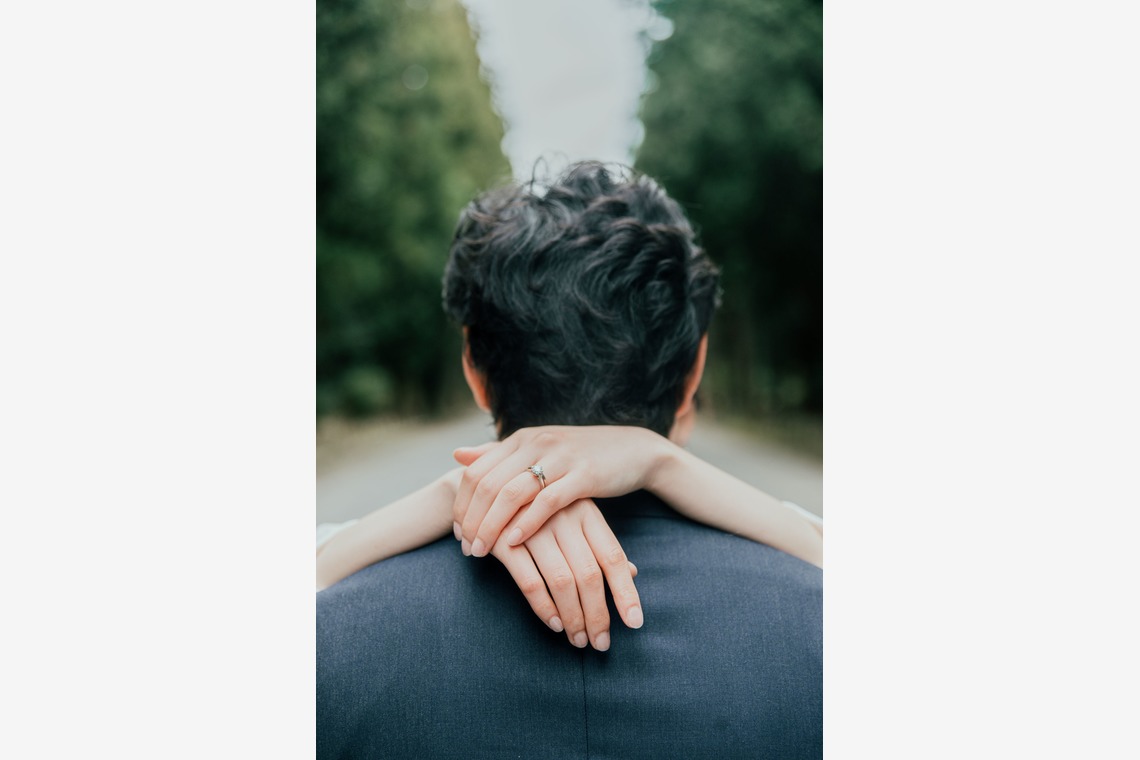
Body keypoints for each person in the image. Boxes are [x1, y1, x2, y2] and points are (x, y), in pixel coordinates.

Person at [317, 162, 822, 758]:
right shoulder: (819, 621)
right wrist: (661, 462)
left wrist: (463, 491)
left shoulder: (330, 633)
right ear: (694, 374)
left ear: (474, 372)